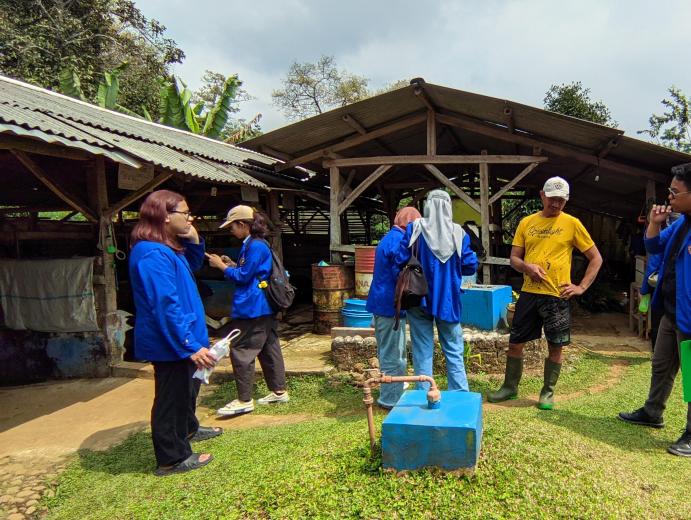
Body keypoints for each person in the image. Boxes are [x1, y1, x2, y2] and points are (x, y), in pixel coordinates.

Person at [488, 177, 602, 410]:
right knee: (515, 343)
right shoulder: (527, 223)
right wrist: (527, 267)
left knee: (556, 346)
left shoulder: (572, 224)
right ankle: (509, 387)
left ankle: (547, 392)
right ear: (542, 195)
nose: (556, 204)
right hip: (529, 293)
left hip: (557, 297)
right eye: (552, 199)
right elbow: (514, 258)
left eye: (561, 200)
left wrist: (581, 287)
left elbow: (596, 258)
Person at [129, 190, 220, 477]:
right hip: (169, 342)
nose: (190, 218)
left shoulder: (167, 249)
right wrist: (189, 344)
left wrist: (194, 240)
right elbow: (165, 304)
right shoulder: (152, 253)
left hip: (182, 336)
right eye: (186, 212)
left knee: (188, 389)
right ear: (165, 215)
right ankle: (172, 458)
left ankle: (189, 429)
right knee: (171, 398)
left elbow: (190, 267)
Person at [618, 163, 691, 457]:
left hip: (690, 316)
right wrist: (654, 222)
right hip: (672, 311)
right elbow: (653, 244)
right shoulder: (682, 223)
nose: (669, 197)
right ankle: (652, 412)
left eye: (675, 192)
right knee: (661, 364)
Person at [207, 205, 289, 416]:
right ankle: (279, 391)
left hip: (253, 307)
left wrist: (222, 267)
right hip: (262, 306)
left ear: (243, 224)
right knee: (269, 347)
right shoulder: (254, 244)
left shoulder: (255, 246)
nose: (231, 230)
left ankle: (244, 399)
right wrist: (232, 264)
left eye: (232, 226)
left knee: (242, 350)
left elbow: (243, 277)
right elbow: (249, 271)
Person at [399, 190, 478, 391]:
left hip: (418, 297)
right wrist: (451, 268)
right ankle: (459, 392)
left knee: (422, 348)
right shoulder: (459, 233)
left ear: (428, 206)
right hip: (447, 300)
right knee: (453, 347)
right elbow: (470, 265)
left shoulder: (415, 229)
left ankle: (425, 393)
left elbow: (399, 257)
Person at [366, 206, 421, 409]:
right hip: (389, 307)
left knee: (388, 351)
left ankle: (392, 388)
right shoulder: (398, 241)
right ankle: (390, 399)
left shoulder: (389, 238)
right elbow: (402, 274)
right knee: (393, 355)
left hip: (381, 304)